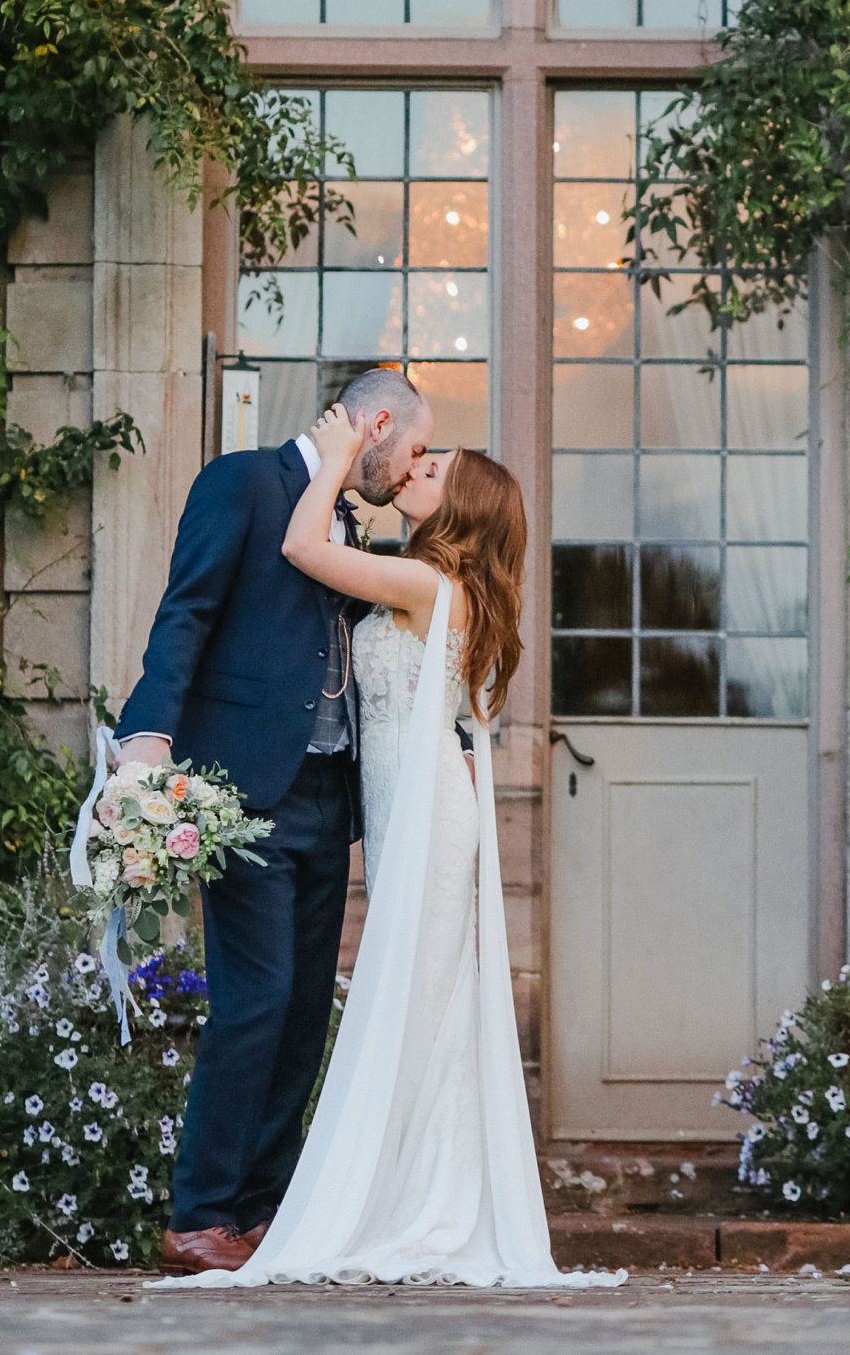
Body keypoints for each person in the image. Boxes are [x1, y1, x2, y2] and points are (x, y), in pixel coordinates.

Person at [172, 404, 618, 1290]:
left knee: (411, 1011)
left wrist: (336, 458)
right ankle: (392, 1194)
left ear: (460, 512)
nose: (415, 469)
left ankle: (405, 1202)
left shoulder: (423, 588)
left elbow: (302, 552)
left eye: (433, 470)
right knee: (415, 1009)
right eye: (421, 456)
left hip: (425, 819)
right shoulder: (422, 578)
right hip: (408, 810)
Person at [113, 364, 430, 1276]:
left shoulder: (346, 517)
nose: (410, 472)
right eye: (410, 451)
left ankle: (264, 1210)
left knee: (300, 1012)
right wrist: (148, 735)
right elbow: (187, 614)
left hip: (332, 799)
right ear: (372, 426)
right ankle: (200, 1214)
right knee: (254, 1001)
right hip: (247, 791)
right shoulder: (243, 482)